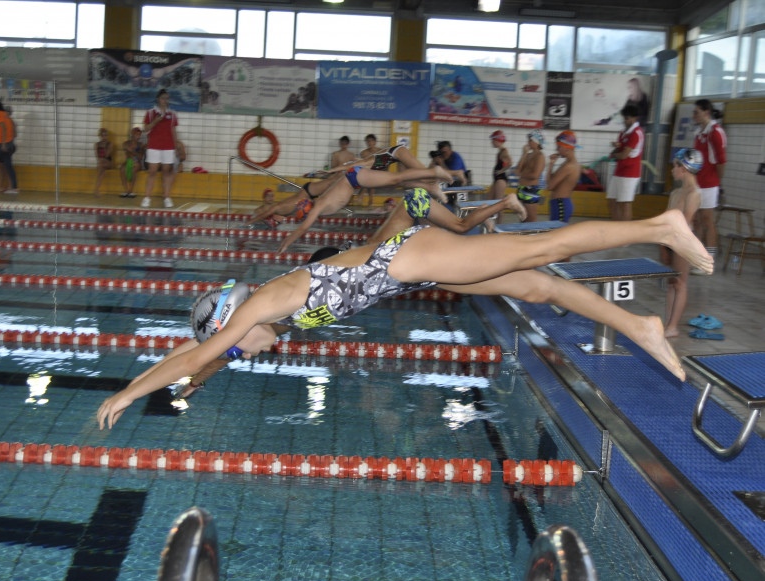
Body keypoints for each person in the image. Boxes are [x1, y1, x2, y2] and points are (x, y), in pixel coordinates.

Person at [97, 210, 715, 429]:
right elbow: (211, 362)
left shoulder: (263, 304)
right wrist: (193, 382)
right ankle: (639, 328)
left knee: (542, 251)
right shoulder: (268, 317)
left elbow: (198, 356)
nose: (248, 352)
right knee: (536, 288)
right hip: (415, 270)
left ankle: (659, 226)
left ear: (229, 316)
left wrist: (129, 391)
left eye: (234, 342)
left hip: (410, 257)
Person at [270, 164, 453, 253]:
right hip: (353, 178)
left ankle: (433, 172)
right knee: (396, 183)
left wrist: (287, 241)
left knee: (395, 179)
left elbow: (303, 228)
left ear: (306, 211)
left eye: (304, 215)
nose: (306, 218)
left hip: (354, 177)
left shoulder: (318, 206)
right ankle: (430, 186)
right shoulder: (319, 204)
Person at [368, 188, 527, 244]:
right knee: (440, 236)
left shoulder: (373, 256)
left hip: (414, 202)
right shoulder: (371, 252)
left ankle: (506, 203)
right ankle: (482, 211)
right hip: (413, 202)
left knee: (460, 226)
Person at [660, 149, 703, 338]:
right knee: (671, 282)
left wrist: (671, 243)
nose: (672, 170)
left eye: (675, 166)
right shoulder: (676, 192)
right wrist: (662, 243)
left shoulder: (694, 193)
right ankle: (668, 322)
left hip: (683, 241)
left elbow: (685, 223)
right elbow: (666, 220)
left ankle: (673, 326)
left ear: (684, 168)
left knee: (680, 283)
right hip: (670, 239)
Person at [692, 99, 727, 270]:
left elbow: (721, 161)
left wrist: (717, 184)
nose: (694, 116)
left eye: (696, 112)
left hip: (709, 183)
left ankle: (709, 260)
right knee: (697, 221)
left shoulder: (715, 132)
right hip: (698, 183)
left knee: (708, 221)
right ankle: (699, 257)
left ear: (707, 112)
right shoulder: (700, 132)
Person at [142, 89, 180, 209]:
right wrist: (156, 121)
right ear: (158, 99)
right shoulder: (150, 113)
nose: (165, 100)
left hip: (168, 147)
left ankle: (166, 197)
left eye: (167, 98)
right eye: (163, 98)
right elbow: (146, 129)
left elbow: (173, 131)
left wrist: (176, 147)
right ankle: (147, 197)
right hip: (154, 146)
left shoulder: (172, 114)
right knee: (152, 171)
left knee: (166, 171)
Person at [607, 105, 644, 222]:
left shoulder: (636, 133)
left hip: (630, 173)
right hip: (620, 171)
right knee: (611, 200)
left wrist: (613, 155)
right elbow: (619, 151)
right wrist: (615, 148)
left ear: (635, 118)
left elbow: (623, 155)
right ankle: (617, 226)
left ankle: (626, 231)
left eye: (627, 118)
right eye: (624, 118)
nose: (624, 120)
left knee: (625, 203)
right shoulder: (623, 132)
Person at [546, 131, 582, 223]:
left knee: (556, 234)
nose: (557, 149)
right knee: (554, 234)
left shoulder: (568, 166)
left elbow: (549, 186)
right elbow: (550, 181)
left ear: (567, 147)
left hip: (560, 205)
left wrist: (550, 165)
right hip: (560, 204)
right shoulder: (569, 164)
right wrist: (551, 164)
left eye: (559, 147)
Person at [514, 130, 546, 222]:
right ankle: (522, 236)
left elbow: (535, 175)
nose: (528, 142)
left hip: (531, 190)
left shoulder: (540, 156)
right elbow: (517, 169)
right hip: (521, 189)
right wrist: (524, 154)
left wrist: (521, 174)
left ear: (537, 141)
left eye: (530, 140)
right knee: (522, 218)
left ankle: (531, 236)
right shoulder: (528, 155)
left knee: (531, 219)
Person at [355, 134, 381, 207]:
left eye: (371, 141)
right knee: (370, 176)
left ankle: (361, 196)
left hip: (379, 172)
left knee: (371, 175)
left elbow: (381, 164)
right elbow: (363, 165)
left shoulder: (380, 151)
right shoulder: (363, 153)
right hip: (368, 173)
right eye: (367, 141)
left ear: (375, 142)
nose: (369, 143)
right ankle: (371, 201)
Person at [120, 127, 145, 198]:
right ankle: (126, 190)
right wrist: (135, 152)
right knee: (122, 169)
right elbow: (124, 146)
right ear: (132, 135)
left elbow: (140, 157)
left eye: (139, 135)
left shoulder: (141, 145)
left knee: (134, 168)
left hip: (137, 162)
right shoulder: (126, 143)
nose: (138, 137)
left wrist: (131, 152)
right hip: (128, 161)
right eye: (137, 135)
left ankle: (131, 190)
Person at [489, 130, 511, 200]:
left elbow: (510, 163)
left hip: (500, 180)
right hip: (497, 179)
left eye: (493, 140)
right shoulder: (501, 151)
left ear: (497, 140)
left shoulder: (504, 151)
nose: (491, 142)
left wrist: (501, 171)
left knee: (498, 203)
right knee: (489, 200)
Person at [93, 128, 114, 197]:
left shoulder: (110, 144)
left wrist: (104, 146)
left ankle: (96, 190)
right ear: (100, 136)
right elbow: (97, 157)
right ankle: (96, 190)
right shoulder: (96, 144)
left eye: (105, 135)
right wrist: (100, 161)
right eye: (102, 135)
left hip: (109, 163)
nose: (104, 137)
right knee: (102, 170)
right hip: (101, 164)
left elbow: (107, 155)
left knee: (101, 165)